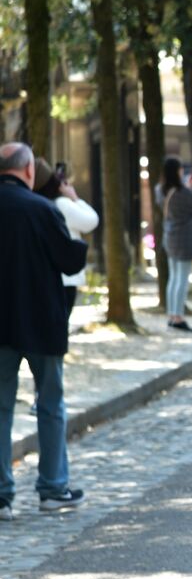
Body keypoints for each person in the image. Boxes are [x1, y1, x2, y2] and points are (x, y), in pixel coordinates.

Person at [0, 142, 90, 520]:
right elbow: (69, 259)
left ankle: (1, 495)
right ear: (29, 171)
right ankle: (52, 488)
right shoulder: (42, 209)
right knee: (50, 405)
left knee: (0, 408)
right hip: (42, 322)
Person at [33, 159, 98, 317]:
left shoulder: (38, 204)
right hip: (65, 276)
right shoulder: (62, 204)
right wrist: (74, 197)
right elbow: (91, 220)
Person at [158, 155, 192, 332]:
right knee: (182, 278)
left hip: (170, 237)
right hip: (184, 239)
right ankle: (178, 317)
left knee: (173, 278)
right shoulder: (182, 192)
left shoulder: (161, 189)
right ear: (177, 171)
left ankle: (172, 315)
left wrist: (187, 187)